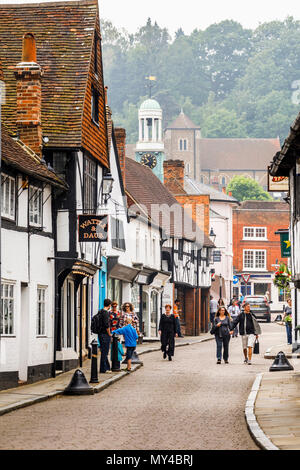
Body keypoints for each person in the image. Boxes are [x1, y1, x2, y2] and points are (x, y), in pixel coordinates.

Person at [95, 298, 112, 374]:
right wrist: (109, 333)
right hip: (105, 334)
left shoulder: (100, 311)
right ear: (109, 305)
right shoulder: (105, 313)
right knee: (105, 351)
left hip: (100, 333)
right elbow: (106, 325)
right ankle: (103, 368)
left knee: (103, 350)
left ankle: (107, 367)